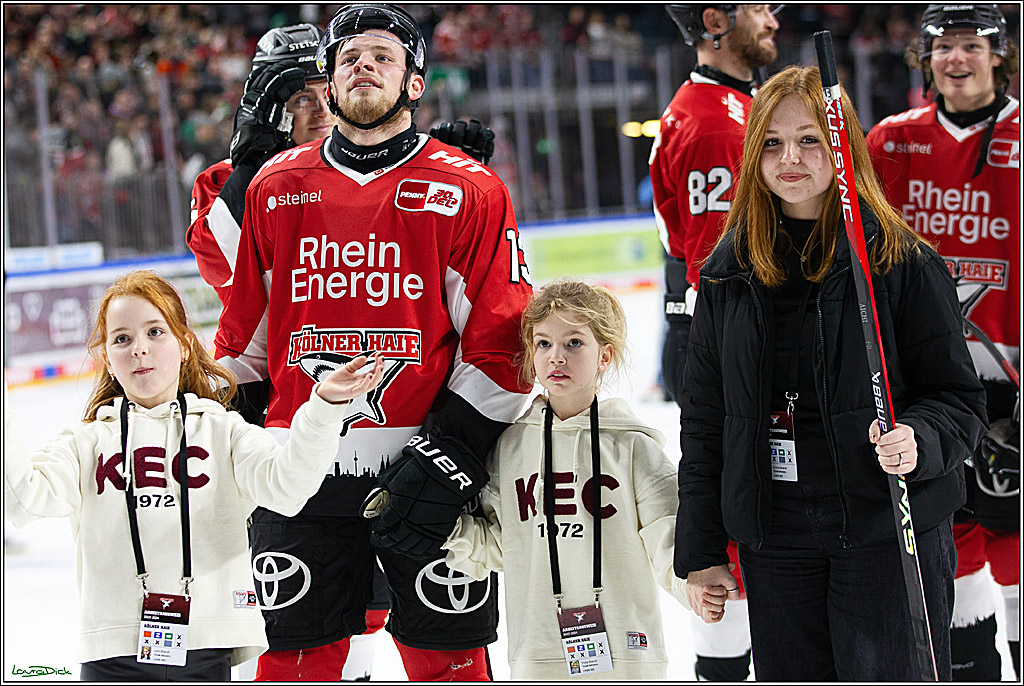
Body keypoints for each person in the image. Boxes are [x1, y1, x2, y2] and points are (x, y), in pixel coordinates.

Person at [214, 4, 533, 681]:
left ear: (414, 84)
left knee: (450, 664)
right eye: (349, 57)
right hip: (298, 473)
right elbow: (244, 341)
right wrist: (229, 443)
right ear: (328, 83)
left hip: (426, 473)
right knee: (294, 664)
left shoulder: (469, 188)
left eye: (383, 56)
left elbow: (502, 341)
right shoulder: (275, 187)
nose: (364, 66)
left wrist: (449, 456)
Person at [675, 65, 989, 680]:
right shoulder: (726, 273)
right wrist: (702, 551)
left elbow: (958, 399)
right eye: (772, 141)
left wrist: (919, 439)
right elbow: (705, 423)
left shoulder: (900, 261)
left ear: (842, 146)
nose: (789, 157)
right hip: (777, 542)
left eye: (810, 139)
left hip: (884, 531)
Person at [3, 270, 386, 681]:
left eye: (155, 332)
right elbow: (22, 500)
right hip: (109, 651)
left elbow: (288, 488)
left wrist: (325, 405)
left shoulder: (224, 431)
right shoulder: (84, 443)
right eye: (122, 339)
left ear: (185, 345)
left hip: (205, 646)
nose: (139, 350)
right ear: (108, 361)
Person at [865, 4, 1020, 680]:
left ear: (998, 54)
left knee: (1015, 544)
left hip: (1012, 380)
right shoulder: (891, 142)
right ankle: (975, 669)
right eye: (943, 47)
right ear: (925, 60)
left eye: (971, 46)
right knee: (949, 537)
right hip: (929, 384)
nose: (957, 59)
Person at [442, 279, 688, 680]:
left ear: (604, 356)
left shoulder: (633, 447)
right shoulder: (510, 447)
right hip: (537, 654)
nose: (556, 357)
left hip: (627, 655)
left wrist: (695, 587)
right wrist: (443, 528)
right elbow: (504, 544)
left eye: (574, 343)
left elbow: (670, 537)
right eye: (543, 344)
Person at [651, 5, 781, 679]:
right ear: (714, 20)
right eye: (759, 8)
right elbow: (725, 267)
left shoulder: (730, 107)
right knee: (740, 531)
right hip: (738, 354)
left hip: (724, 346)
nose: (772, 22)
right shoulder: (712, 123)